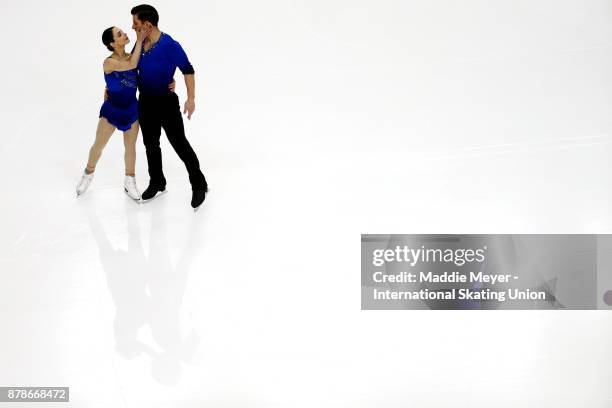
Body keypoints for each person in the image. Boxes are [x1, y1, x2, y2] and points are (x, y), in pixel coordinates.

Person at [130, 4, 208, 211]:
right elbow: (131, 67)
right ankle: (157, 182)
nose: (132, 27)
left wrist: (191, 99)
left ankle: (199, 183)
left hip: (166, 102)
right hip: (145, 102)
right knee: (151, 145)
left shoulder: (170, 45)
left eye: (135, 23)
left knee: (179, 143)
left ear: (147, 24)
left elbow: (188, 70)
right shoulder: (140, 43)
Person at [76, 25, 152, 200]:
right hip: (112, 109)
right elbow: (131, 65)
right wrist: (139, 40)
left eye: (123, 32)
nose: (125, 34)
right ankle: (88, 174)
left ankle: (129, 181)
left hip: (132, 108)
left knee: (130, 146)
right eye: (120, 34)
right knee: (99, 145)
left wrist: (168, 80)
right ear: (112, 43)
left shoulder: (133, 55)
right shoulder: (108, 62)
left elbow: (147, 71)